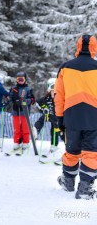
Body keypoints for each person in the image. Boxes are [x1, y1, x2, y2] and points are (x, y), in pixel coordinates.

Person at [56, 35, 97, 200]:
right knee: (91, 152)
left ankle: (68, 182)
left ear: (78, 47)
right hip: (94, 116)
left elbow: (59, 95)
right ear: (94, 47)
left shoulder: (66, 67)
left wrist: (59, 118)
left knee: (72, 150)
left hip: (71, 115)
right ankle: (85, 188)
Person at [34, 78, 62, 153]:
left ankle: (54, 145)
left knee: (55, 130)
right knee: (42, 119)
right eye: (52, 90)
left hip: (57, 118)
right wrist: (44, 109)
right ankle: (36, 129)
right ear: (49, 90)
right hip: (49, 115)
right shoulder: (47, 98)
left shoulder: (60, 97)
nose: (54, 92)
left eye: (56, 89)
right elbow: (38, 103)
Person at [8, 72, 35, 152]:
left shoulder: (28, 89)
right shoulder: (14, 88)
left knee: (25, 128)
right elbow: (10, 97)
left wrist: (24, 101)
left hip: (25, 112)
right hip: (16, 111)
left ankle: (25, 142)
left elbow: (32, 100)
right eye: (18, 79)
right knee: (16, 128)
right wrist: (10, 101)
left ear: (25, 80)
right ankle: (17, 142)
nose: (20, 81)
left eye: (22, 79)